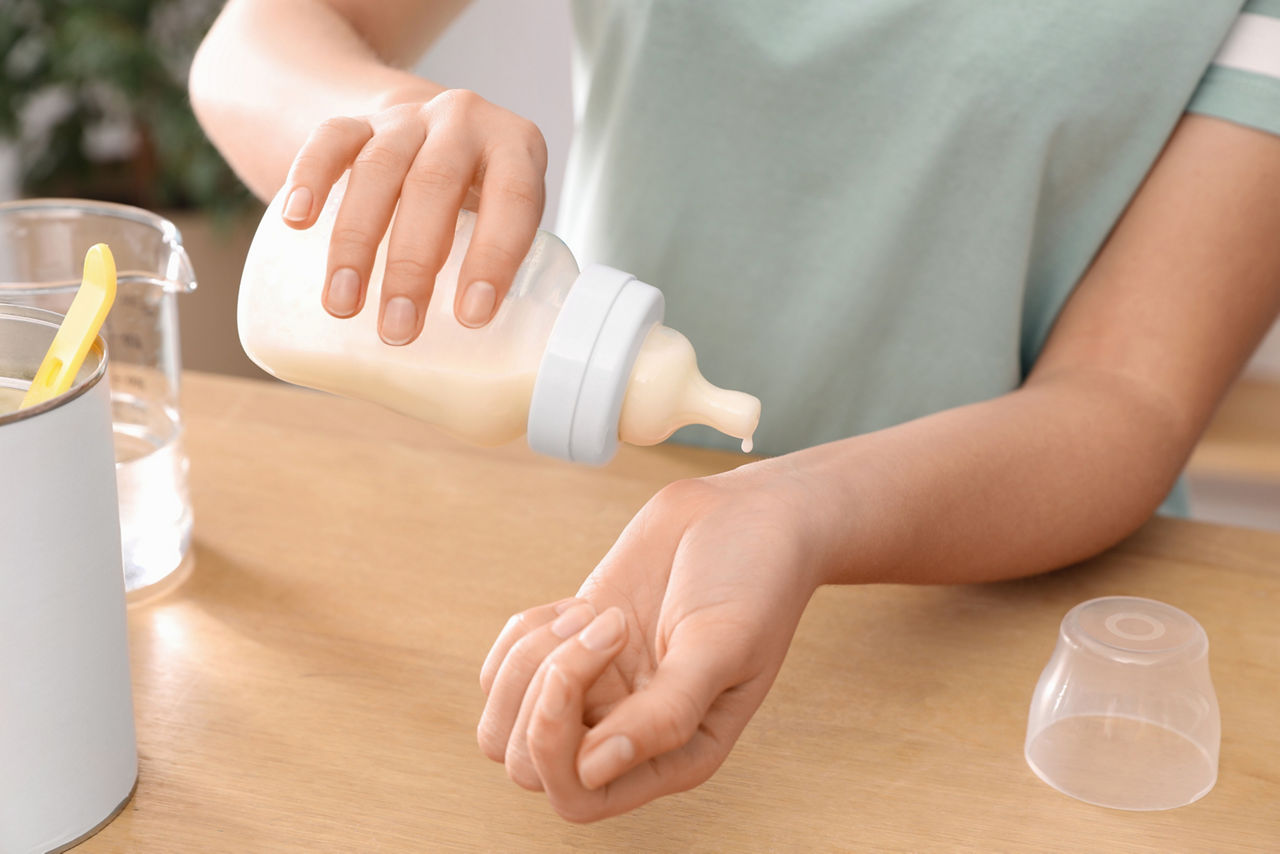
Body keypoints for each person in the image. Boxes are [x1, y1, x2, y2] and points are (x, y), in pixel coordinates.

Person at [191, 0, 1280, 822]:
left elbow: (1125, 394)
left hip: (1006, 601)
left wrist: (795, 507)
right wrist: (391, 125)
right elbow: (256, 41)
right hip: (578, 529)